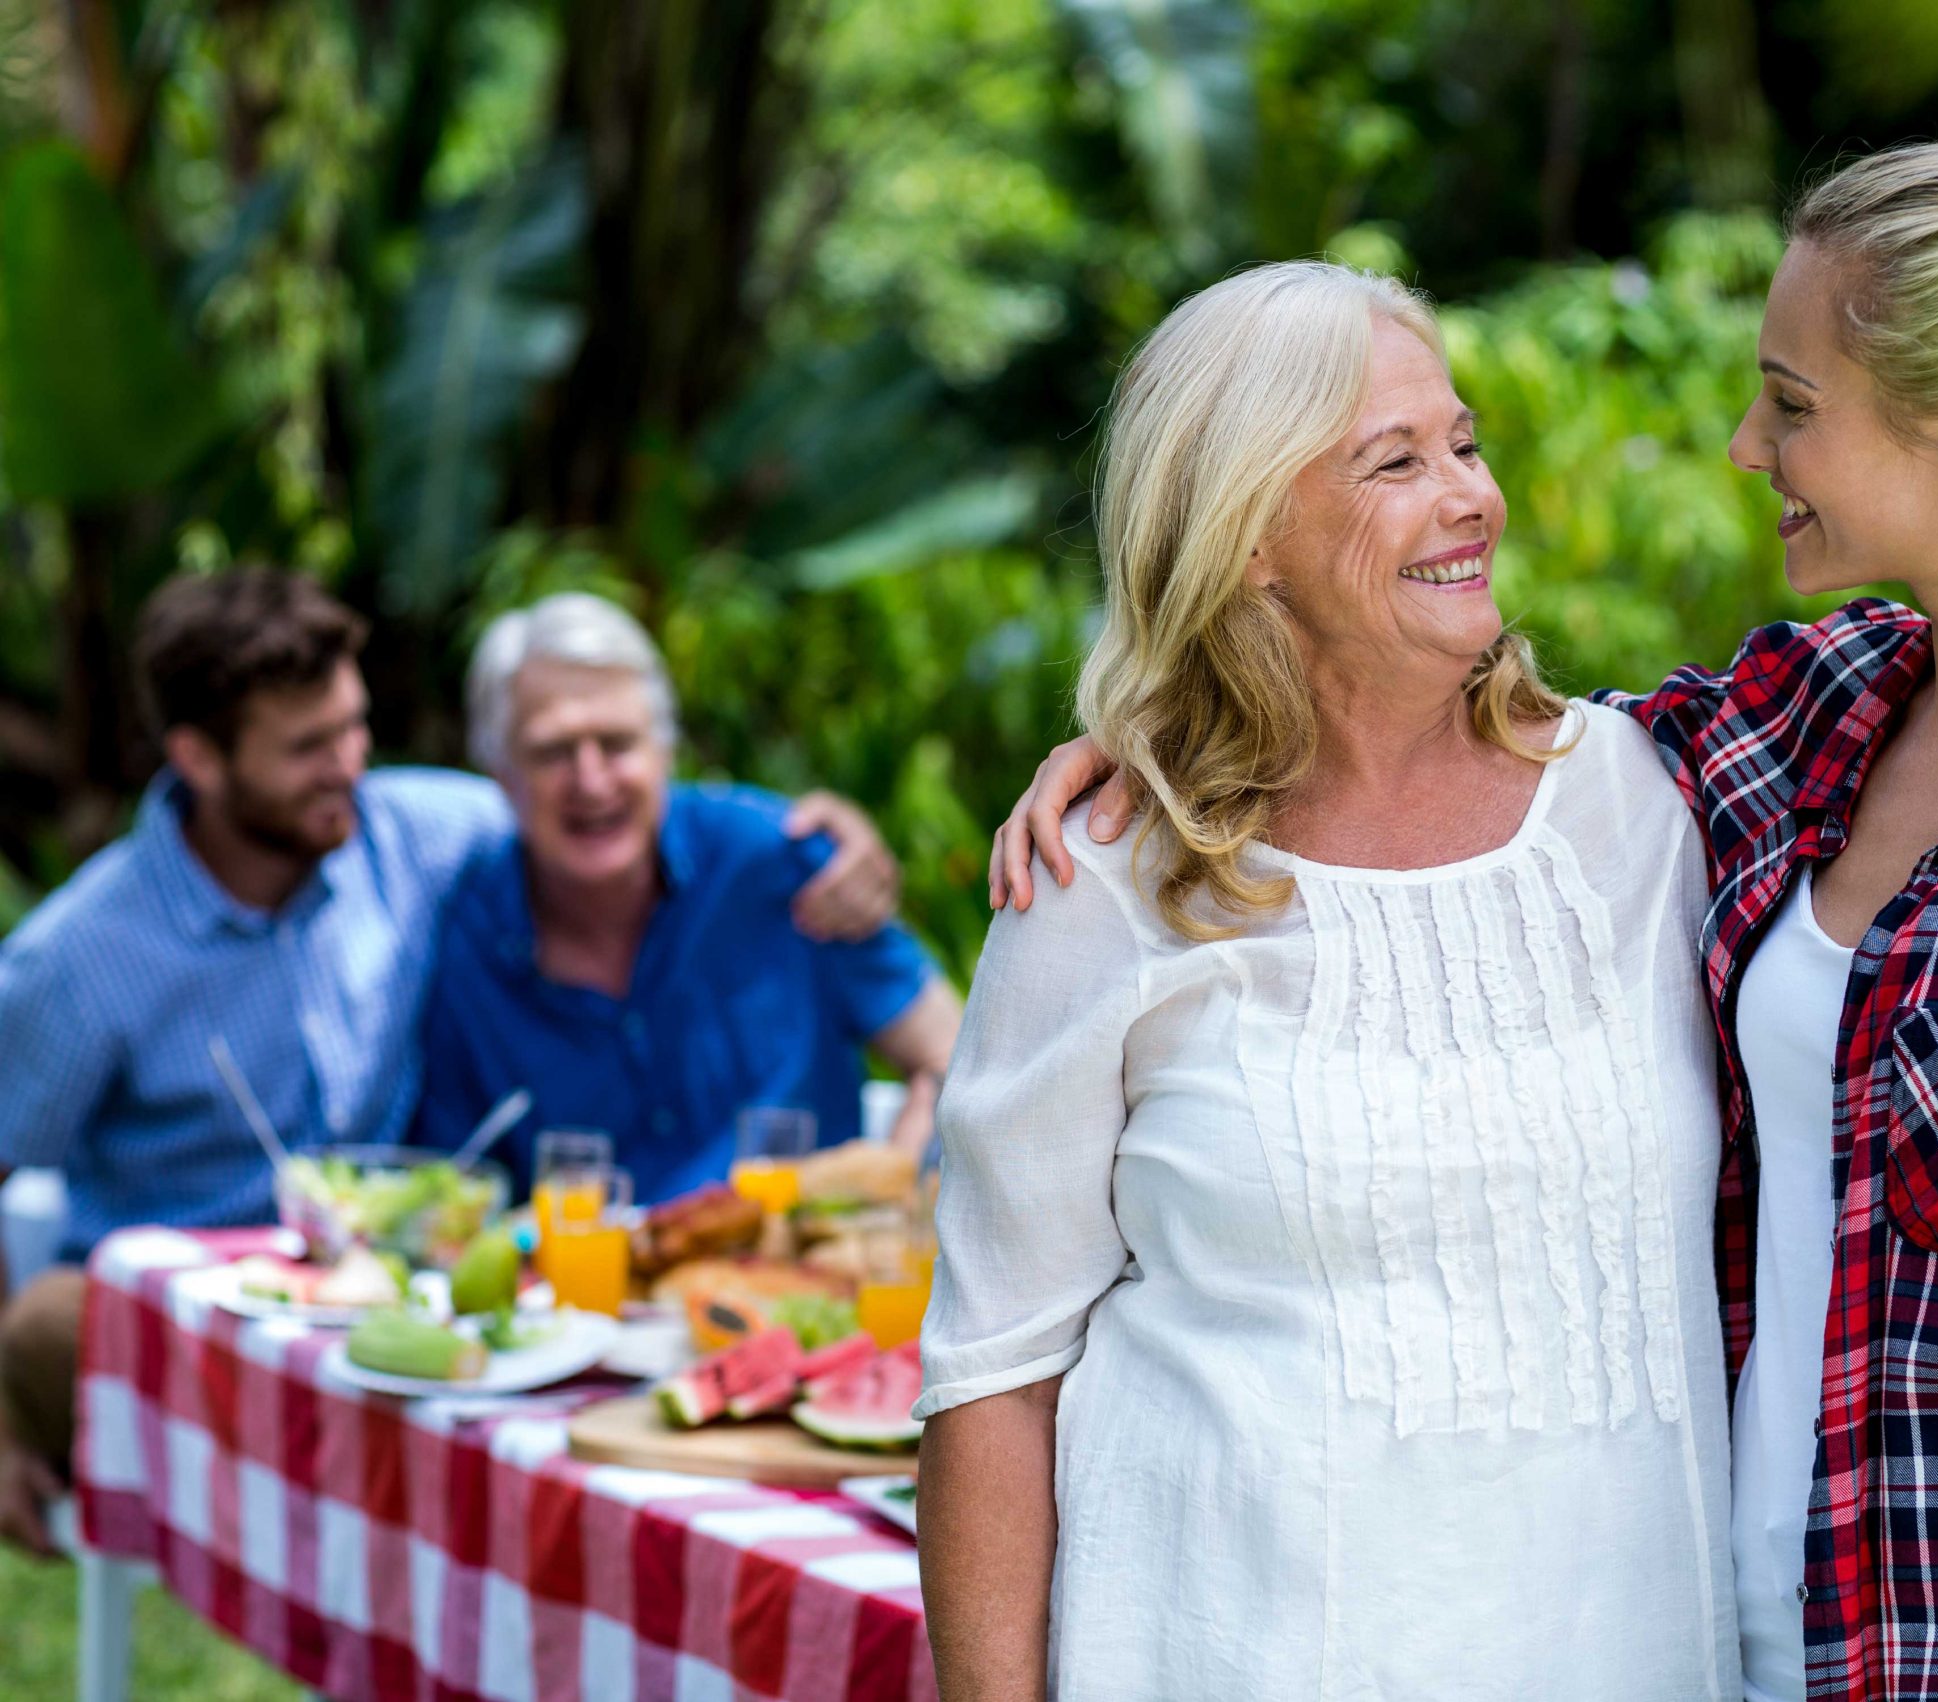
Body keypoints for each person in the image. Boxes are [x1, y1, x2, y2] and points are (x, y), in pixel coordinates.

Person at [994, 142, 1938, 1701]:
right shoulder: (1805, 722)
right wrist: (1165, 728)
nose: (1744, 443)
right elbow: (1428, 752)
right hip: (1754, 1647)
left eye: (1793, 403)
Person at [919, 262, 1742, 1702]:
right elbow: (994, 1371)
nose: (1472, 495)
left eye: (1467, 444)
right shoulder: (1103, 880)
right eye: (1396, 461)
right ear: (1246, 540)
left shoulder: (1645, 805)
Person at [0, 568, 903, 1556]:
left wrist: (826, 840)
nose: (349, 765)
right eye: (308, 747)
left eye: (354, 728)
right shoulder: (83, 956)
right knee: (50, 1322)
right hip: (181, 1325)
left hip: (388, 1318)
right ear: (200, 759)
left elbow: (615, 807)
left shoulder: (413, 830)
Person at [414, 592, 960, 1201]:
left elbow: (956, 1059)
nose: (591, 782)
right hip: (580, 1293)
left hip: (802, 1283)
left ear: (665, 751)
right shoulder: (469, 939)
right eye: (553, 752)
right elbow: (454, 1190)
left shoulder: (778, 861)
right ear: (501, 774)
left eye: (618, 744)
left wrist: (892, 1189)